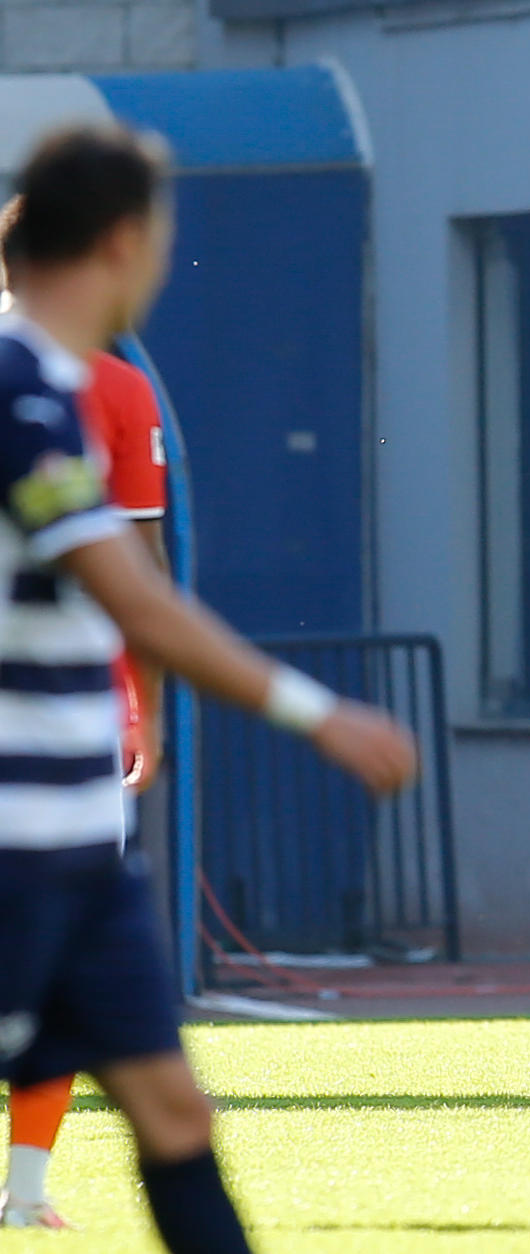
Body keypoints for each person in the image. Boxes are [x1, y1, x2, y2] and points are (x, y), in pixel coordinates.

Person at [0, 123, 416, 1253]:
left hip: (78, 851)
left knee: (176, 1115)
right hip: (15, 843)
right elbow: (133, 597)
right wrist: (316, 714)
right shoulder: (17, 387)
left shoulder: (62, 386)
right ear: (124, 241)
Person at [0, 259, 173, 1226]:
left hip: (69, 720)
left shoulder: (106, 384)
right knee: (65, 950)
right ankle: (25, 1188)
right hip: (66, 727)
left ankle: (26, 1190)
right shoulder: (103, 384)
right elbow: (142, 572)